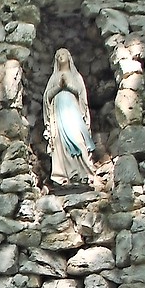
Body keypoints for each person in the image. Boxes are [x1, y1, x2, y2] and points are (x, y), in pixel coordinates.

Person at [42, 48, 98, 187]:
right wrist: (58, 87)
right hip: (58, 114)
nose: (61, 57)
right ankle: (65, 175)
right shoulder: (54, 77)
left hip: (73, 112)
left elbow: (81, 94)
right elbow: (46, 97)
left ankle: (83, 173)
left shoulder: (76, 76)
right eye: (58, 55)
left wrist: (68, 85)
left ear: (69, 57)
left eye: (63, 54)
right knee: (61, 143)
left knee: (78, 139)